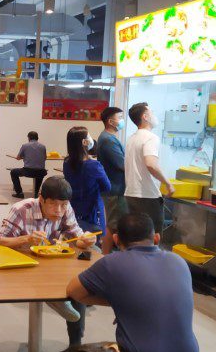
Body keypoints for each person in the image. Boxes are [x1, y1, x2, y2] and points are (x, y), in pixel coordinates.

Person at [66, 213, 199, 352]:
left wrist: (118, 301)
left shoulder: (112, 262)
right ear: (156, 238)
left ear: (116, 239)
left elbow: (73, 291)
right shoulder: (178, 261)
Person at [0, 177, 97, 348]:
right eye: (53, 204)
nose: (59, 210)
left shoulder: (65, 208)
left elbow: (75, 237)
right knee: (70, 288)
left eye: (63, 205)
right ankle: (53, 294)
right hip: (24, 265)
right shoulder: (21, 209)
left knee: (79, 284)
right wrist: (26, 238)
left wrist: (87, 240)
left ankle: (75, 345)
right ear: (41, 198)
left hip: (51, 262)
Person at [125, 103, 174, 236]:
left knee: (135, 237)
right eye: (151, 112)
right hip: (147, 197)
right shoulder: (151, 137)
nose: (154, 115)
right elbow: (151, 164)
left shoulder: (132, 138)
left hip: (131, 194)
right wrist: (167, 183)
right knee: (151, 238)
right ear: (145, 116)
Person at [62, 127, 111, 235]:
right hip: (92, 211)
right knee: (92, 242)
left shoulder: (66, 162)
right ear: (84, 142)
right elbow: (107, 187)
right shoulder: (94, 165)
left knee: (76, 238)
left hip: (73, 208)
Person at [97, 107, 128, 254]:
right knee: (114, 225)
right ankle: (107, 256)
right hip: (115, 189)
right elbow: (122, 165)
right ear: (110, 121)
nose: (122, 120)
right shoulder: (108, 140)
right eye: (120, 117)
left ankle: (106, 256)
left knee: (112, 224)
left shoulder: (109, 138)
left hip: (114, 188)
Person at [10, 131, 47, 198]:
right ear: (37, 138)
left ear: (29, 138)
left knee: (13, 172)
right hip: (41, 171)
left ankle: (19, 193)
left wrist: (24, 157)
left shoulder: (25, 146)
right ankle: (36, 193)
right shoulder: (43, 147)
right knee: (39, 174)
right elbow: (45, 158)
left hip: (28, 171)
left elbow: (18, 157)